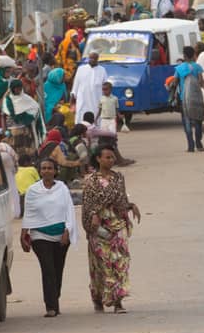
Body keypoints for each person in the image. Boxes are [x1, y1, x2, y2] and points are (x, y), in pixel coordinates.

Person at [81, 143, 139, 313]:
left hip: (117, 225)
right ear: (98, 159)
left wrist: (130, 206)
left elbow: (121, 200)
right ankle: (98, 297)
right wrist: (93, 215)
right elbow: (88, 204)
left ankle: (118, 301)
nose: (111, 160)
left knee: (119, 262)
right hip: (98, 227)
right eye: (107, 157)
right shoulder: (90, 181)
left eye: (112, 157)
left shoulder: (118, 178)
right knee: (102, 263)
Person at [20, 156, 75, 318]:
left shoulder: (62, 189)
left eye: (49, 168)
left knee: (58, 270)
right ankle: (50, 306)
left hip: (61, 236)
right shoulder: (33, 191)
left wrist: (67, 231)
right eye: (43, 168)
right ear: (39, 171)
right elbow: (28, 213)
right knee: (48, 269)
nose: (46, 171)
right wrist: (24, 234)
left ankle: (54, 298)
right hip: (40, 236)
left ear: (55, 171)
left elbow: (69, 210)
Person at [71, 53, 108, 126]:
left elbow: (105, 85)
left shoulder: (102, 70)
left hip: (96, 100)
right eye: (90, 58)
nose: (92, 60)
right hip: (83, 99)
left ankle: (95, 132)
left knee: (96, 116)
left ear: (97, 59)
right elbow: (76, 84)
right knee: (81, 116)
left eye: (94, 58)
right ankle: (80, 131)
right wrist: (72, 98)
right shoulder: (81, 69)